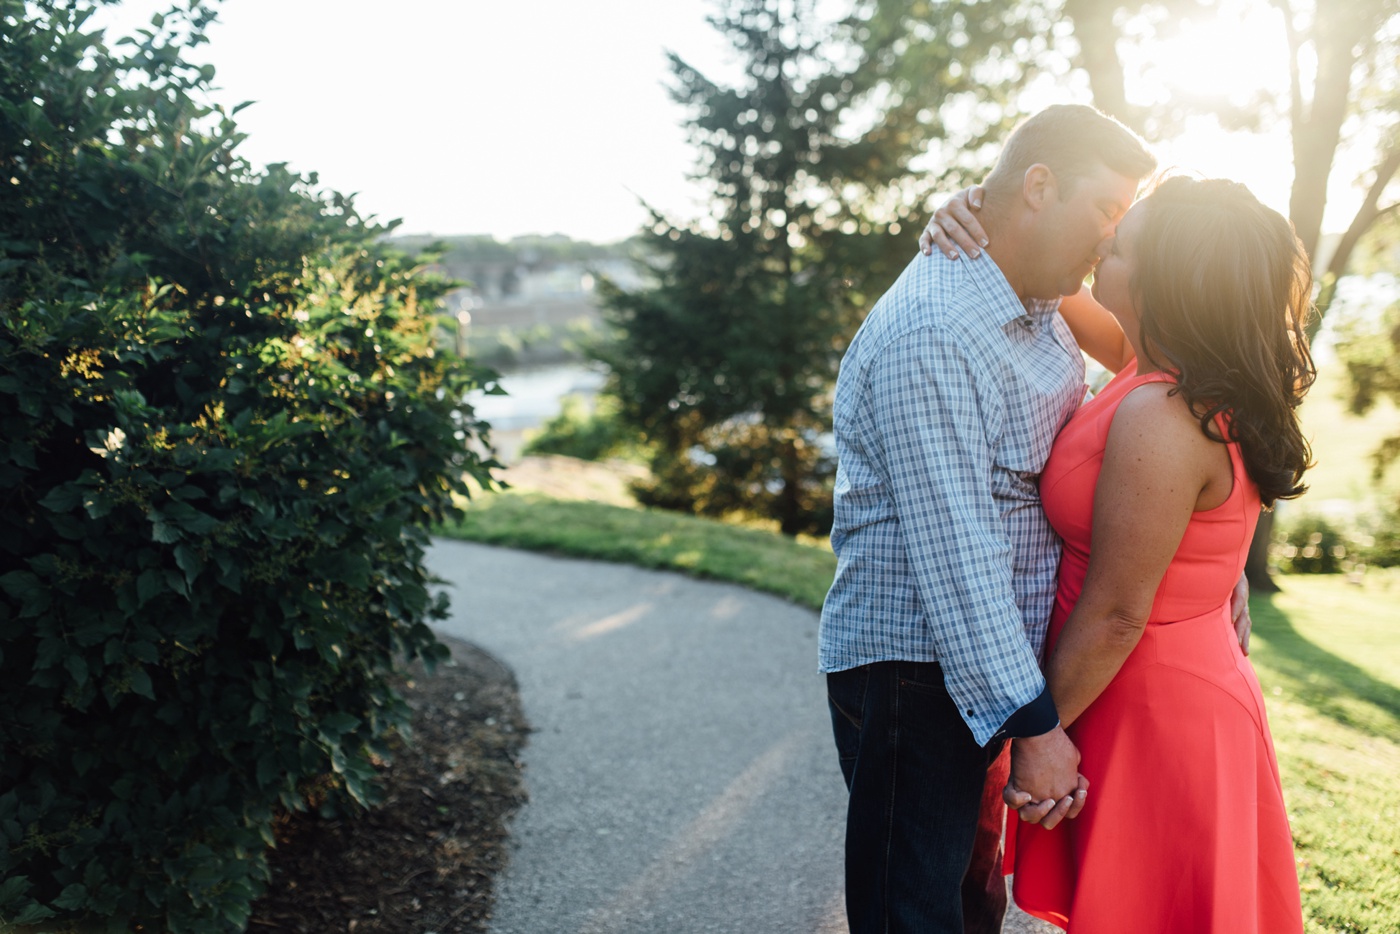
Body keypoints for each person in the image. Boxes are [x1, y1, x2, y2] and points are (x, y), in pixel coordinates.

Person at [924, 175, 1313, 932]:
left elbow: (1116, 610)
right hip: (1143, 685)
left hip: (1153, 706)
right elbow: (1046, 274)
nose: (1104, 246)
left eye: (1122, 247)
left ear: (1164, 283)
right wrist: (976, 217)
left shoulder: (1165, 415)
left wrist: (1039, 735)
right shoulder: (1157, 365)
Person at [819, 104, 1156, 934]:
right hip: (918, 672)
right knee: (915, 913)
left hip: (983, 671)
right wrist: (1035, 725)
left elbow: (1150, 374)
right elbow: (959, 559)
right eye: (1106, 214)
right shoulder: (934, 333)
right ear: (1040, 187)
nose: (1110, 242)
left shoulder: (1034, 301)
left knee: (971, 903)